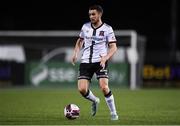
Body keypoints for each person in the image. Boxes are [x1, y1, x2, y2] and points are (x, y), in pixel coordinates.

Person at [71, 4, 119, 120]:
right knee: (82, 90)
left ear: (99, 14)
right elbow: (80, 41)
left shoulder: (107, 29)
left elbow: (113, 47)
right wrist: (76, 52)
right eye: (90, 14)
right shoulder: (85, 27)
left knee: (104, 87)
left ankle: (113, 113)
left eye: (93, 14)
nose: (91, 16)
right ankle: (95, 100)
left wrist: (106, 57)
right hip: (86, 61)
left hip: (100, 61)